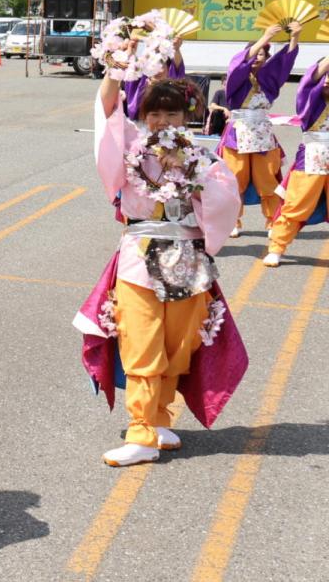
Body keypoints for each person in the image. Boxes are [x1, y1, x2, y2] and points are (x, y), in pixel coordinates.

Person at [76, 74, 246, 467]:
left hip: (187, 255)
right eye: (154, 112)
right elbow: (106, 115)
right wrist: (114, 69)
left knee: (177, 344)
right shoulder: (132, 147)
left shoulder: (203, 156)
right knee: (141, 340)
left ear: (187, 116)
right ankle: (140, 432)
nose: (163, 120)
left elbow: (226, 200)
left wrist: (193, 174)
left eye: (172, 112)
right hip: (139, 255)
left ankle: (157, 420)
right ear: (143, 114)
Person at [218, 23, 301, 237]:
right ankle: (232, 221)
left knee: (268, 180)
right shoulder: (236, 79)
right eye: (255, 53)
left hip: (263, 135)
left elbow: (284, 63)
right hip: (237, 134)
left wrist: (295, 36)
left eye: (263, 53)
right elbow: (238, 64)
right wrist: (264, 38)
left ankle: (273, 221)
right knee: (235, 179)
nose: (258, 57)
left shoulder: (268, 80)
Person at [264, 55, 329, 266]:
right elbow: (310, 81)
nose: (326, 79)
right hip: (312, 159)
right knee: (295, 205)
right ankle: (277, 247)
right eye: (325, 74)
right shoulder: (313, 99)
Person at [123, 38, 185, 122]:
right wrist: (131, 51)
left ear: (168, 67)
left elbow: (178, 67)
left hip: (168, 129)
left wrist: (176, 49)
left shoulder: (174, 83)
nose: (156, 70)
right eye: (151, 65)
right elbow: (129, 69)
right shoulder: (139, 82)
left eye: (161, 64)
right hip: (141, 128)